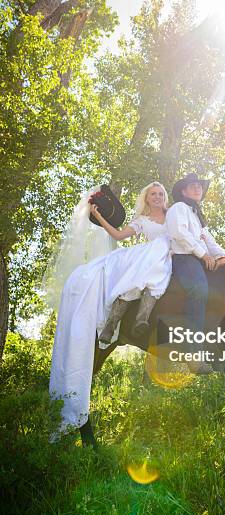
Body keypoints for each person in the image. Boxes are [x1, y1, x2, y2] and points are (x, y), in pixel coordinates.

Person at [49, 182, 171, 438]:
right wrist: (99, 216)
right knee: (146, 268)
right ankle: (116, 319)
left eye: (161, 194)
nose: (158, 197)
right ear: (147, 199)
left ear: (165, 197)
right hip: (148, 256)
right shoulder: (142, 221)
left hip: (166, 258)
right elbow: (118, 236)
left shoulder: (175, 215)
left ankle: (132, 314)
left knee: (159, 265)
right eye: (153, 194)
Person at [166, 173, 225, 372]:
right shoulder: (178, 208)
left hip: (197, 258)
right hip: (183, 259)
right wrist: (203, 254)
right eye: (192, 186)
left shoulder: (197, 216)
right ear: (183, 191)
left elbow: (211, 243)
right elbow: (179, 234)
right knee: (198, 291)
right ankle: (192, 353)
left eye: (200, 186)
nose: (198, 189)